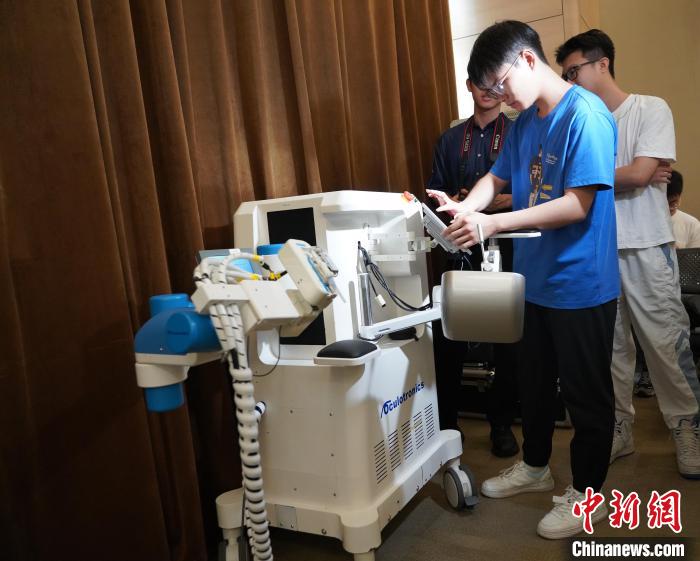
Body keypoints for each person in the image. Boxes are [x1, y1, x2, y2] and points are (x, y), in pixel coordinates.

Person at [427, 20, 619, 539]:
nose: (499, 97)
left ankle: (590, 495)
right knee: (533, 386)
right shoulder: (525, 123)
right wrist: (467, 208)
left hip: (581, 284)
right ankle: (536, 466)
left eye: (500, 85)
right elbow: (496, 178)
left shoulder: (587, 116)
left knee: (585, 396)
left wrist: (493, 224)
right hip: (533, 282)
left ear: (528, 61)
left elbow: (577, 205)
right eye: (489, 89)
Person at [556, 29, 700, 480]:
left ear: (602, 63)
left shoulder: (649, 108)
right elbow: (628, 174)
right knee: (611, 350)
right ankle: (620, 428)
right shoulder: (579, 121)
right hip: (595, 250)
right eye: (565, 75)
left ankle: (686, 426)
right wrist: (633, 171)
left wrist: (618, 174)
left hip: (647, 246)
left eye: (574, 71)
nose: (569, 82)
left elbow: (638, 176)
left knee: (665, 343)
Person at [427, 78, 520, 458]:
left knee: (508, 340)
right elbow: (435, 194)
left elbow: (537, 192)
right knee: (448, 336)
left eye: (494, 82)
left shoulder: (517, 133)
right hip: (461, 246)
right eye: (479, 81)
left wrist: (497, 203)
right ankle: (448, 424)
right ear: (468, 85)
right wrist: (457, 202)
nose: (487, 89)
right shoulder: (450, 140)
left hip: (509, 244)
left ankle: (502, 424)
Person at [668, 170, 700, 249]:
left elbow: (695, 256)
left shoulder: (692, 225)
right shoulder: (643, 222)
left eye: (673, 202)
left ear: (679, 196)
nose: (669, 208)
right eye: (664, 204)